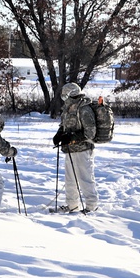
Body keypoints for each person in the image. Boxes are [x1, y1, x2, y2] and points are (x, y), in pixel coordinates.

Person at [53, 83, 99, 213]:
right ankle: (72, 205)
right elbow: (64, 125)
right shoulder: (68, 108)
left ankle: (91, 206)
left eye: (65, 94)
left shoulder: (84, 109)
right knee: (70, 179)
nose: (63, 97)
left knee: (85, 178)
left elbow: (90, 132)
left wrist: (72, 137)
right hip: (70, 150)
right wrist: (59, 134)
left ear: (71, 93)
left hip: (83, 149)